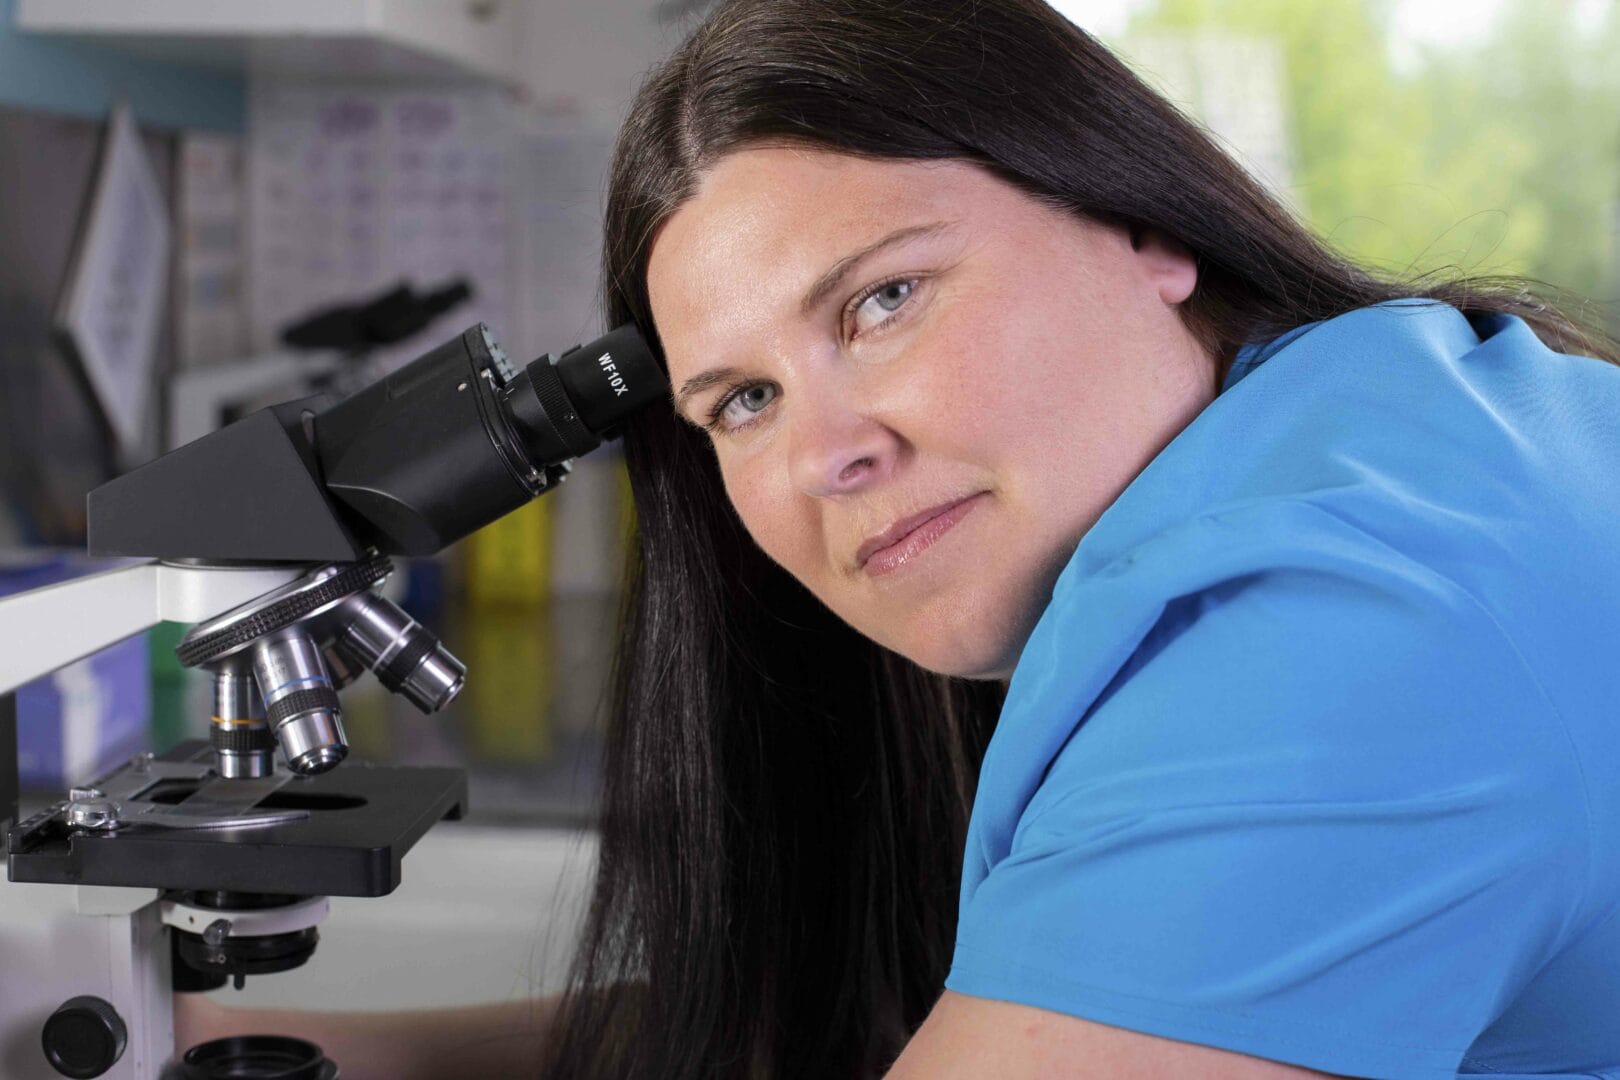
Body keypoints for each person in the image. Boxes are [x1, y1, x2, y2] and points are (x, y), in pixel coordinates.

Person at [180, 0, 1620, 1076]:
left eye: (883, 302)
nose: (825, 456)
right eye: (741, 399)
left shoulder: (1336, 635)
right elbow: (909, 1020)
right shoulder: (1395, 421)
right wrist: (332, 1055)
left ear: (1140, 225)